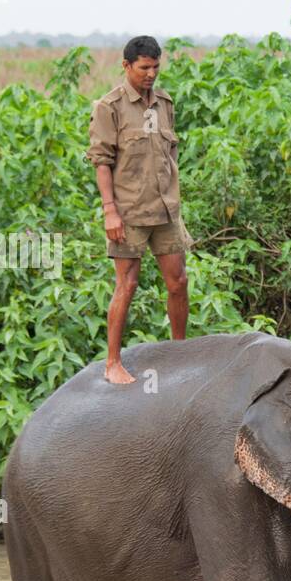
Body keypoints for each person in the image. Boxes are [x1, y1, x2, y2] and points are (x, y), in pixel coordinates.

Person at [86, 35, 193, 384]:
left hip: (165, 210)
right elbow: (102, 161)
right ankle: (113, 362)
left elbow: (169, 154)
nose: (150, 74)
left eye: (156, 67)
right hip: (128, 212)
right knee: (127, 284)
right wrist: (109, 211)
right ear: (127, 66)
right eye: (144, 68)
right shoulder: (109, 107)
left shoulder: (164, 102)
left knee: (178, 282)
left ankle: (179, 353)